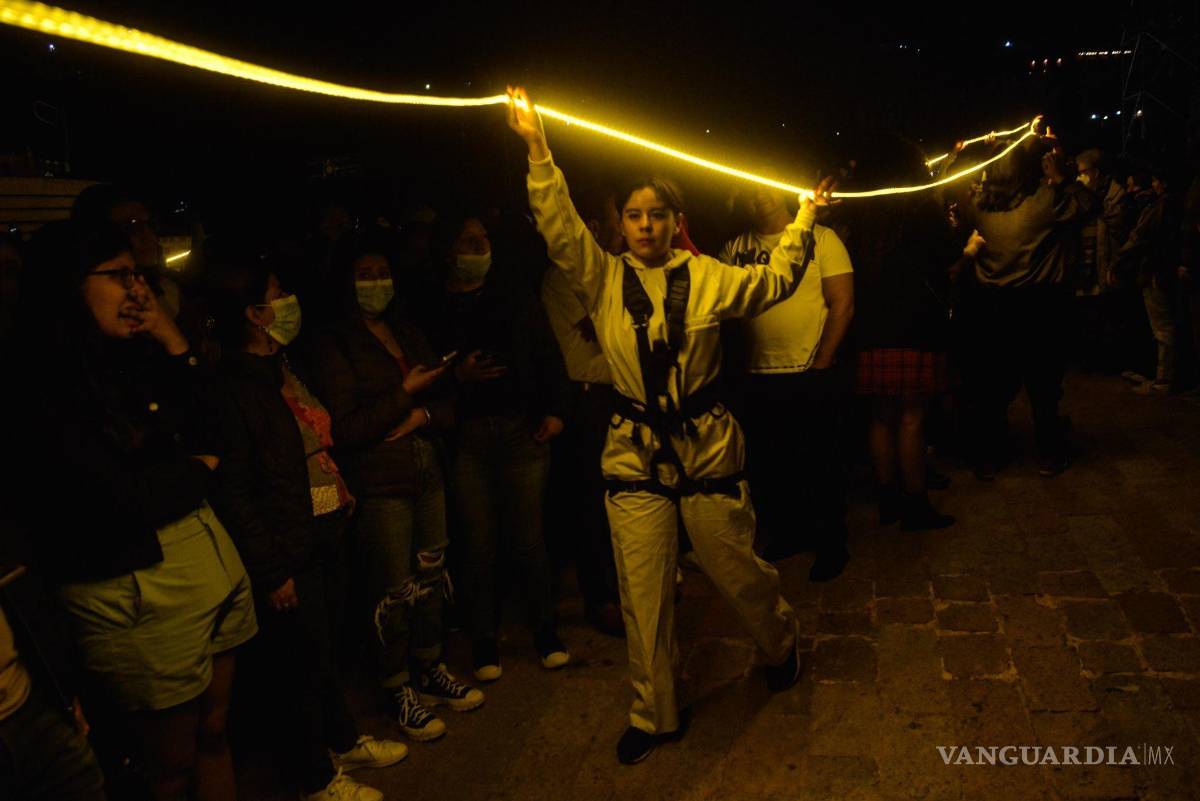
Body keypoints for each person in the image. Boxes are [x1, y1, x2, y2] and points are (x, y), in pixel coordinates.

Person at [507, 86, 828, 764]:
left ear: (674, 219)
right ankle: (656, 711)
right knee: (644, 590)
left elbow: (772, 280)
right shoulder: (599, 277)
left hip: (706, 447)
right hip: (634, 455)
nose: (645, 225)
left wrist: (803, 219)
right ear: (619, 224)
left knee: (734, 568)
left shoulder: (709, 276)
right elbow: (559, 226)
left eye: (656, 214)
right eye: (633, 215)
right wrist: (538, 147)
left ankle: (779, 642)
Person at [16, 220, 258, 801]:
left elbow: (222, 430)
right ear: (69, 284)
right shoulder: (38, 381)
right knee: (168, 765)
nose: (138, 290)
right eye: (118, 276)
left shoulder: (135, 356)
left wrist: (173, 338)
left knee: (216, 731)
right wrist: (197, 471)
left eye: (139, 275)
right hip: (135, 584)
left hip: (205, 556)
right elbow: (117, 499)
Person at [206, 258, 408, 801]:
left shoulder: (282, 367)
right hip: (288, 546)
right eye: (276, 293)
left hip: (323, 533)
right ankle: (313, 777)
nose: (288, 300)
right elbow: (237, 489)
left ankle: (340, 740)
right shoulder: (234, 388)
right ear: (253, 313)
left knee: (324, 653)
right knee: (297, 666)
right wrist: (273, 570)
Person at [312, 232, 483, 746]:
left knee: (432, 573)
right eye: (365, 275)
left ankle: (430, 668)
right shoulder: (334, 341)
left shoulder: (404, 329)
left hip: (426, 465)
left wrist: (424, 414)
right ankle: (397, 686)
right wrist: (405, 395)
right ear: (346, 282)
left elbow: (447, 396)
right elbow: (348, 427)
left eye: (382, 272)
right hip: (380, 480)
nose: (376, 283)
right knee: (393, 589)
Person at [417, 210, 573, 681]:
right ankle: (484, 640)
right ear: (449, 250)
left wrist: (554, 410)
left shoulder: (512, 295)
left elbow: (546, 352)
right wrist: (457, 377)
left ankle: (545, 631)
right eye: (468, 240)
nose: (479, 247)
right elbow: (422, 375)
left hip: (519, 430)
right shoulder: (432, 308)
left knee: (529, 539)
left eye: (484, 238)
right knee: (478, 545)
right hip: (466, 437)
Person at [719, 183, 854, 576]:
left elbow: (842, 302)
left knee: (821, 462)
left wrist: (823, 361)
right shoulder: (734, 247)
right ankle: (791, 532)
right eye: (749, 192)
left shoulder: (821, 238)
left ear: (780, 191)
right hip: (757, 373)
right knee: (773, 463)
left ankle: (832, 543)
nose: (757, 198)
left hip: (809, 368)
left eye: (765, 190)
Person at [842, 137, 976, 530]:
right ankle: (915, 503)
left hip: (871, 324)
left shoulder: (860, 213)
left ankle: (887, 500)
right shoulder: (921, 210)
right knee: (912, 418)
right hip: (916, 322)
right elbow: (949, 256)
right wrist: (967, 248)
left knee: (881, 417)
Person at [952, 129, 1098, 478]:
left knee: (994, 387)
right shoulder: (1045, 201)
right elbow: (1091, 206)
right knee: (1044, 386)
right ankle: (1048, 453)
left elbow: (949, 187)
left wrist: (960, 157)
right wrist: (1062, 178)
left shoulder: (977, 206)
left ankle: (990, 456)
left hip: (992, 307)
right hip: (1039, 306)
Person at [541, 186, 624, 637]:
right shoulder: (564, 279)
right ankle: (601, 597)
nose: (623, 230)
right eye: (616, 219)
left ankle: (629, 586)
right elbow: (593, 346)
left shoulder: (615, 272)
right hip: (589, 400)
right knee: (593, 500)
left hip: (618, 395)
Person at [1116, 166, 1181, 394]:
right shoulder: (1170, 205)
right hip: (1160, 269)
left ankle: (1164, 380)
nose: (1153, 185)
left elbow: (1140, 236)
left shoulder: (1161, 206)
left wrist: (1119, 259)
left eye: (1155, 181)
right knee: (1165, 324)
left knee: (1162, 326)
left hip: (1156, 269)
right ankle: (1164, 376)